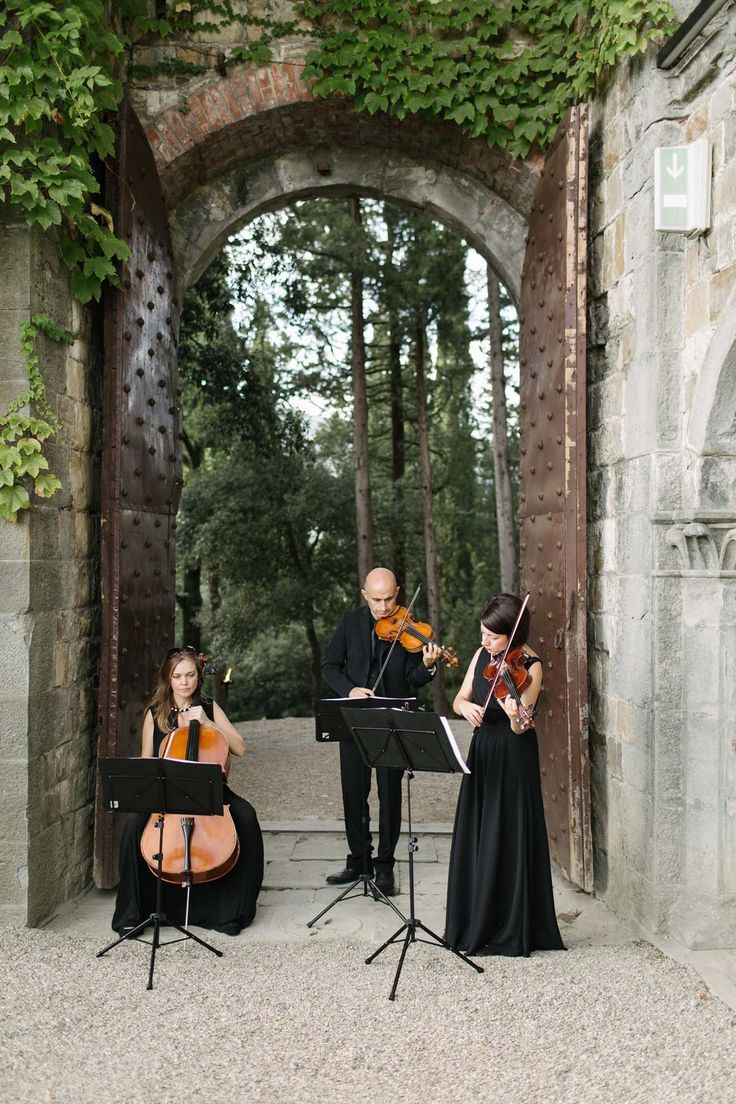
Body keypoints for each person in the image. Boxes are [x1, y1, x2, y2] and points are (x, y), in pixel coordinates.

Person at [111, 647, 264, 936]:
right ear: (168, 679)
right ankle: (131, 913)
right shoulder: (155, 714)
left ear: (198, 675)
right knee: (133, 826)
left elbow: (240, 748)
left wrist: (207, 723)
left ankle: (233, 911)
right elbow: (148, 761)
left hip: (209, 789)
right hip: (167, 792)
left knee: (245, 816)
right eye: (178, 676)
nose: (184, 682)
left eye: (190, 675)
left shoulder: (208, 707)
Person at [444, 594, 565, 957]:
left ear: (512, 634)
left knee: (507, 832)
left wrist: (514, 714)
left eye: (492, 637)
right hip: (483, 753)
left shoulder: (532, 665)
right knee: (479, 830)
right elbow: (459, 698)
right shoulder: (482, 657)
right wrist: (466, 708)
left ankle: (508, 924)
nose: (484, 642)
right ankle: (474, 920)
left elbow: (521, 727)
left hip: (513, 756)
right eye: (482, 633)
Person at [321, 568, 441, 897]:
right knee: (353, 794)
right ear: (364, 595)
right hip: (355, 717)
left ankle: (385, 867)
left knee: (390, 795)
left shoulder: (410, 628)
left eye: (389, 598)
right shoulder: (350, 622)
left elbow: (414, 677)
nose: (384, 606)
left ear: (398, 592)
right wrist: (350, 690)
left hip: (392, 720)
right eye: (376, 599)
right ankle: (359, 860)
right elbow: (329, 665)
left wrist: (428, 665)